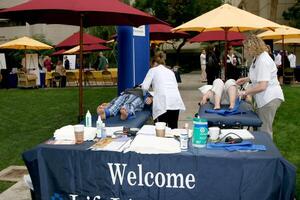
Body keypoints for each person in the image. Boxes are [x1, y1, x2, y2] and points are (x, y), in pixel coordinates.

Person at [236, 35, 284, 138]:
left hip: (269, 99)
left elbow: (262, 86)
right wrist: (246, 79)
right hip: (263, 98)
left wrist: (244, 92)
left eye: (247, 48)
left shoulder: (263, 60)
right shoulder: (257, 58)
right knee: (259, 128)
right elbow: (258, 76)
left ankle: (268, 152)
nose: (246, 51)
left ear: (253, 47)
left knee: (264, 130)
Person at [141, 51, 185, 129]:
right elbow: (175, 85)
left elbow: (144, 87)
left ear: (154, 63)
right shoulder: (170, 72)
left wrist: (151, 94)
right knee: (173, 127)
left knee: (161, 128)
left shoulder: (152, 70)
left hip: (163, 102)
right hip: (175, 100)